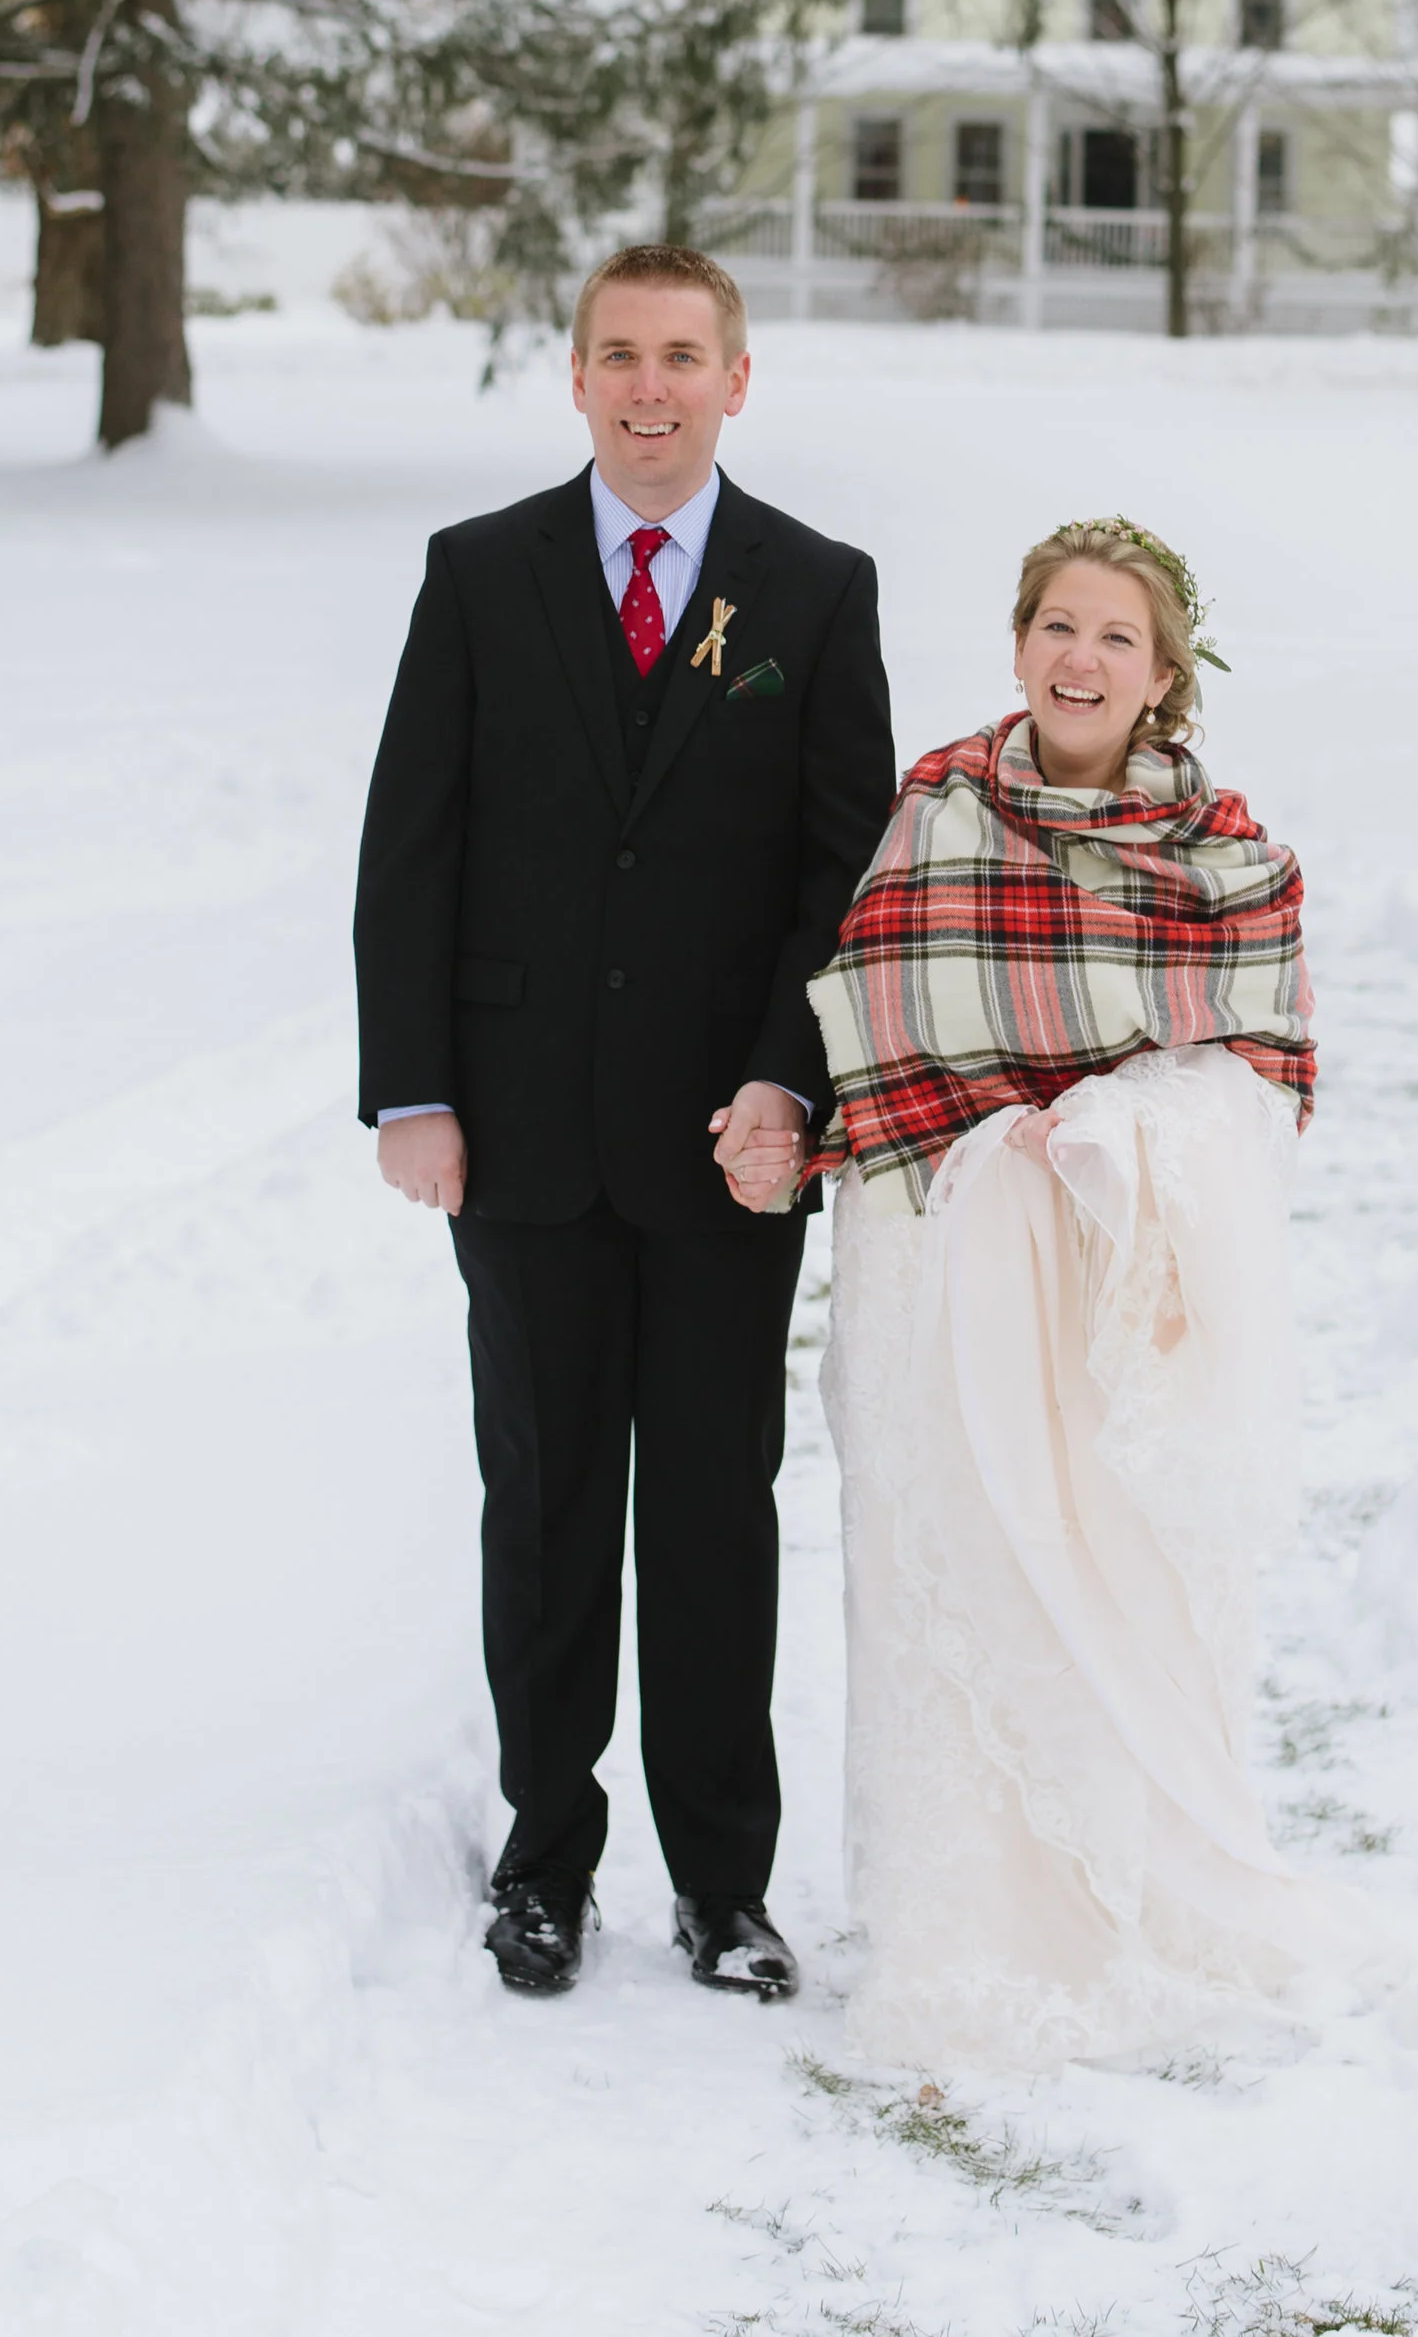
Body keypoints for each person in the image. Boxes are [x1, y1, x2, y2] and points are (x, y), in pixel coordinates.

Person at [355, 243, 894, 2003]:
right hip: (517, 1137)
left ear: (739, 379)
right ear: (574, 377)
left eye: (682, 356)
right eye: (617, 356)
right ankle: (544, 1860)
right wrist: (419, 1093)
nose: (648, 387)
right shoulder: (480, 573)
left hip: (731, 1142)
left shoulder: (814, 593)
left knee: (717, 1515)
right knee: (551, 1499)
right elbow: (411, 847)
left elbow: (843, 873)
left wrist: (786, 1080)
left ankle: (726, 1882)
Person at [809, 518, 1319, 2070]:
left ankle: (1132, 1899)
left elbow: (1260, 1077)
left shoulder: (1229, 857)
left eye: (1116, 638)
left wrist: (1105, 1131)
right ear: (1019, 642)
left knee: (1112, 1554)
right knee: (952, 1566)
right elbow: (887, 1020)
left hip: (1116, 1268)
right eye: (1057, 628)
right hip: (943, 1255)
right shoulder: (936, 811)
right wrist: (991, 1139)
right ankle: (963, 1922)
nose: (1080, 659)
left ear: (1165, 677)